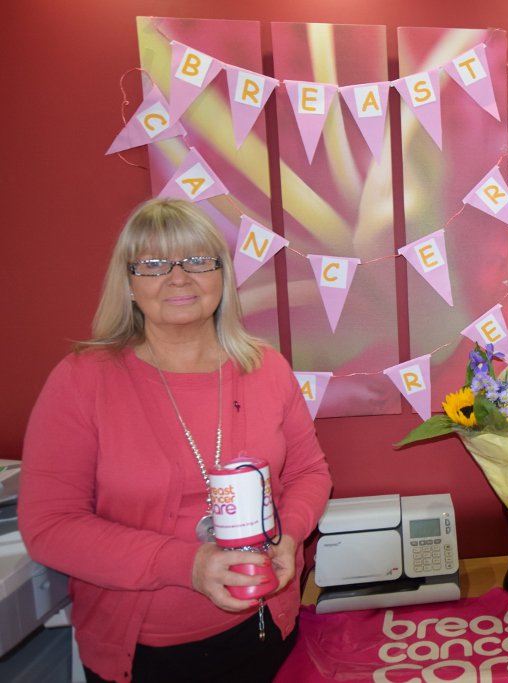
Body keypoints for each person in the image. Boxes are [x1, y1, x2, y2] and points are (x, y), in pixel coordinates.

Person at [19, 198, 332, 682]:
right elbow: (49, 525)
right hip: (145, 654)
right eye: (153, 264)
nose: (178, 277)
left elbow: (309, 472)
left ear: (222, 275)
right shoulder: (82, 381)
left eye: (196, 260)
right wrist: (187, 565)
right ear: (128, 284)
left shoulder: (266, 368)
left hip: (267, 628)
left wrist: (289, 536)